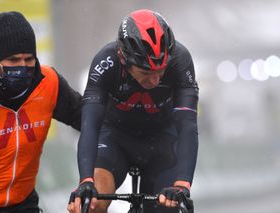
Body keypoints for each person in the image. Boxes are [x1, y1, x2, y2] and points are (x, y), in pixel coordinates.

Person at [68, 9, 198, 213]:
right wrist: (86, 181)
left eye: (160, 71)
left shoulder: (180, 61)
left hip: (162, 141)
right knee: (91, 205)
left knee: (170, 208)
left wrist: (182, 184)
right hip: (115, 139)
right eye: (146, 72)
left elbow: (187, 125)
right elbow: (90, 125)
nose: (155, 80)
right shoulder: (106, 62)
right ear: (124, 59)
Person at [0, 11, 82, 213]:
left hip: (24, 203)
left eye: (29, 59)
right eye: (13, 60)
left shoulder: (48, 83)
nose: (22, 66)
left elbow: (91, 120)